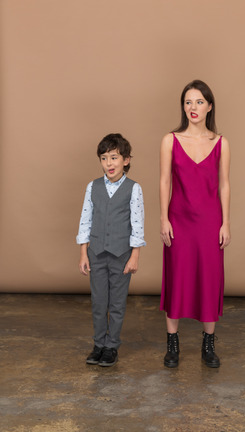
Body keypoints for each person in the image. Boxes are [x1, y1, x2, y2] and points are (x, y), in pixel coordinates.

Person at [160, 80, 231, 368]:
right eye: (188, 102)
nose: (193, 107)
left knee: (209, 278)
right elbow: (165, 181)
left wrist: (226, 222)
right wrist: (163, 217)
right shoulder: (170, 140)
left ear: (209, 106)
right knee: (177, 277)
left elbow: (225, 185)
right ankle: (172, 345)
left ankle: (208, 345)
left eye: (199, 102)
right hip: (179, 219)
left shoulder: (221, 143)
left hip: (210, 221)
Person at [76, 133, 146, 367]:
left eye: (114, 158)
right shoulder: (92, 187)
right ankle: (98, 344)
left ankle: (112, 345)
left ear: (125, 160)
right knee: (98, 301)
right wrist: (83, 253)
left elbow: (137, 225)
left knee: (116, 303)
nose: (109, 164)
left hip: (121, 256)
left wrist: (134, 256)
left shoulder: (133, 189)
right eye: (104, 158)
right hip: (96, 253)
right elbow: (85, 220)